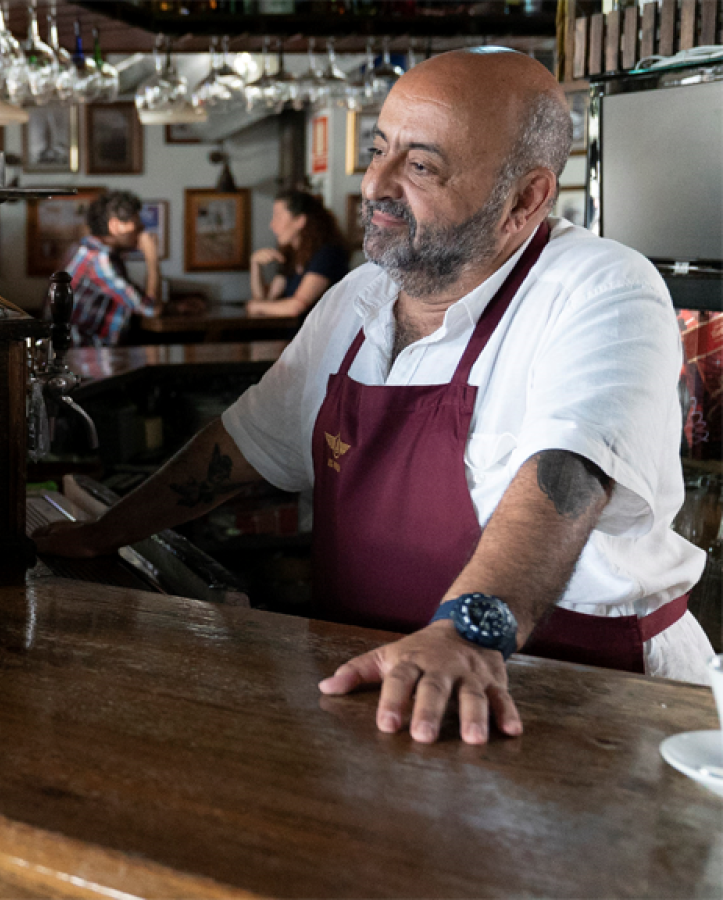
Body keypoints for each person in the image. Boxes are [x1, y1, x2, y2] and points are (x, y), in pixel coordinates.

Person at [37, 48, 712, 745]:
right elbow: (238, 448)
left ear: (524, 200)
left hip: (577, 701)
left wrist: (465, 630)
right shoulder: (357, 299)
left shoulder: (602, 288)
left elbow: (565, 477)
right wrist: (103, 533)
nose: (375, 185)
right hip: (378, 694)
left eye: (420, 166)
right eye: (379, 150)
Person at [63, 190, 162, 346]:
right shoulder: (99, 260)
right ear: (115, 226)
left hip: (85, 351)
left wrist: (176, 307)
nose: (142, 230)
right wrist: (152, 258)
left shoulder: (86, 249)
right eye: (137, 225)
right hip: (86, 353)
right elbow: (151, 310)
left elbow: (133, 299)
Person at [246, 189, 350, 319]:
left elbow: (296, 307)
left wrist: (255, 306)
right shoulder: (291, 255)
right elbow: (267, 301)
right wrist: (255, 264)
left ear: (300, 220)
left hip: (319, 332)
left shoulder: (327, 254)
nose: (272, 225)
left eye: (278, 216)